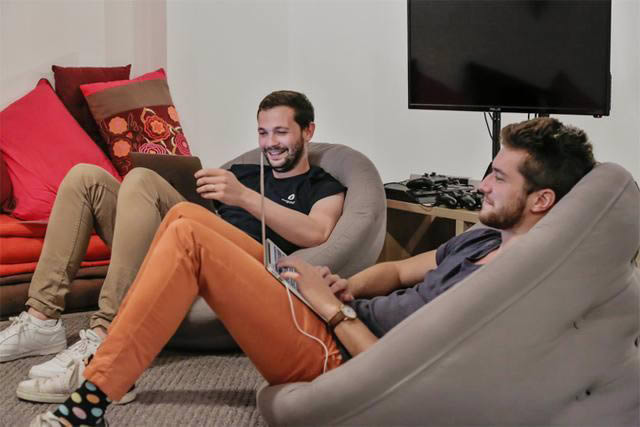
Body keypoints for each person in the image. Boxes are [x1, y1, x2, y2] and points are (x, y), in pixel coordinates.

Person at [29, 117, 595, 426]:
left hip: (336, 354)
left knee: (188, 237)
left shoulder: (505, 286)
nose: (481, 185)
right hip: (332, 314)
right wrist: (346, 284)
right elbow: (399, 272)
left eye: (499, 178)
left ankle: (93, 399)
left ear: (542, 199)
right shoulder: (482, 239)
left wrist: (334, 312)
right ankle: (99, 351)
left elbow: (400, 371)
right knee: (184, 214)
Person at [0, 90, 346, 401]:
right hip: (184, 247)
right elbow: (200, 210)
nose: (270, 143)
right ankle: (41, 319)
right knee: (84, 178)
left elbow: (317, 232)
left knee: (142, 180)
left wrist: (244, 197)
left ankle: (107, 331)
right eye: (263, 132)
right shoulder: (243, 171)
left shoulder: (322, 185)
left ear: (308, 131)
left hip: (239, 266)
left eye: (281, 132)